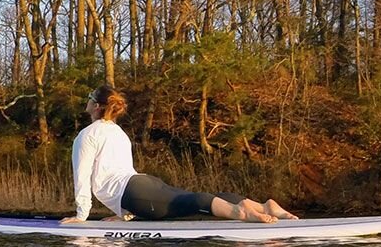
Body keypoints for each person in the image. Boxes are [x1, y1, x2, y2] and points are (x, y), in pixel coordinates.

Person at [60, 85, 297, 225]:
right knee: (190, 200)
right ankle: (262, 206)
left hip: (133, 193)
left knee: (194, 202)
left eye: (90, 98)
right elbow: (121, 172)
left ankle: (242, 212)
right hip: (142, 185)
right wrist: (125, 214)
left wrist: (82, 215)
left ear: (97, 106)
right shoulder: (118, 132)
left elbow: (82, 176)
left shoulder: (86, 135)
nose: (87, 101)